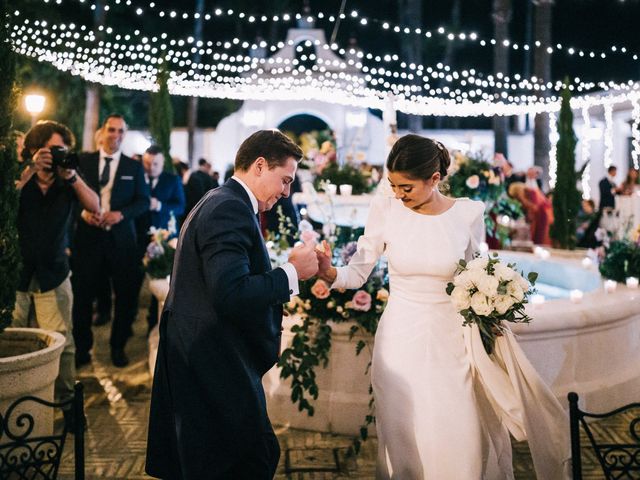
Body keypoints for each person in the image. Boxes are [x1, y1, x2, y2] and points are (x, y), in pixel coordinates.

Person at [316, 134, 569, 479]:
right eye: (392, 185)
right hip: (400, 339)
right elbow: (358, 271)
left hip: (452, 340)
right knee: (404, 428)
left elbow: (477, 273)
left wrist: (492, 305)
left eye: (407, 187)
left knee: (458, 429)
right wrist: (329, 272)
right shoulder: (386, 208)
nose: (399, 194)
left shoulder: (466, 214)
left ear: (434, 179)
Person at [146, 130, 320, 479]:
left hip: (203, 354)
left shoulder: (219, 198)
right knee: (250, 458)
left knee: (221, 460)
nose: (286, 191)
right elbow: (231, 292)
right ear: (259, 166)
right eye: (284, 179)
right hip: (213, 360)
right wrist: (292, 272)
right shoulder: (229, 208)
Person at [13, 121, 100, 426]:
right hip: (16, 273)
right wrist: (28, 169)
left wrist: (72, 176)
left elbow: (95, 205)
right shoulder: (18, 173)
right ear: (36, 148)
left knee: (63, 344)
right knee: (10, 340)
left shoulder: (68, 180)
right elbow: (5, 200)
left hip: (55, 273)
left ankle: (68, 407)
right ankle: (12, 403)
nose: (55, 155)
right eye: (50, 149)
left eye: (61, 149)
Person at [72, 114, 150, 368]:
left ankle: (118, 347)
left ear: (124, 135)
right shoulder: (84, 161)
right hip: (88, 239)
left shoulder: (133, 167)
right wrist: (83, 213)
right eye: (111, 130)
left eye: (120, 131)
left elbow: (143, 201)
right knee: (82, 296)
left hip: (121, 242)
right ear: (102, 131)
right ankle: (82, 349)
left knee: (126, 297)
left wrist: (121, 214)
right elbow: (70, 197)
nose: (115, 135)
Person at [137, 145, 186, 332]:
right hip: (139, 237)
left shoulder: (172, 180)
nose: (151, 167)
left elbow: (180, 206)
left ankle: (154, 321)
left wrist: (159, 206)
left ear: (162, 162)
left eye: (155, 164)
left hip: (163, 240)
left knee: (160, 282)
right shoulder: (138, 178)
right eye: (147, 163)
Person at [508, 182, 554, 246]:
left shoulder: (532, 192)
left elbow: (535, 208)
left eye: (516, 196)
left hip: (544, 216)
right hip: (540, 216)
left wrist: (523, 200)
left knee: (541, 238)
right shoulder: (528, 193)